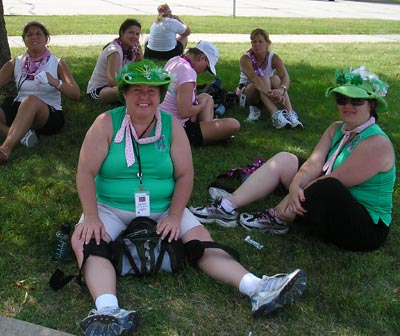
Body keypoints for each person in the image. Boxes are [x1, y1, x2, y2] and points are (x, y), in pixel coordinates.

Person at [71, 60, 306, 336]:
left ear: (161, 94)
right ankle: (108, 311)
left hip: (163, 205)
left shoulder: (171, 126)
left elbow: (185, 175)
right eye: (137, 90)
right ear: (124, 93)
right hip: (110, 205)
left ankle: (257, 288)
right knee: (87, 241)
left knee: (200, 241)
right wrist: (92, 216)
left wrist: (173, 215)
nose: (144, 97)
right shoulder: (105, 123)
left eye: (152, 91)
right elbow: (85, 173)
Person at [191, 67, 395, 252]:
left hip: (364, 228)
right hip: (329, 200)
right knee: (285, 159)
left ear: (372, 104)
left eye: (357, 101)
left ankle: (278, 217)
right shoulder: (336, 128)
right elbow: (315, 163)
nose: (347, 105)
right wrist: (296, 185)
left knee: (328, 185)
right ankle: (226, 207)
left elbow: (335, 181)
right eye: (342, 100)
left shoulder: (376, 143)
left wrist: (294, 195)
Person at [0, 21, 80, 163]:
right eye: (29, 34)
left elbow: (76, 94)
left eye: (38, 33)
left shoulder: (57, 63)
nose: (34, 37)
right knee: (25, 101)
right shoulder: (16, 63)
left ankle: (6, 148)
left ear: (46, 38)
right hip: (19, 108)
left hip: (48, 113)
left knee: (30, 100)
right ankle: (22, 136)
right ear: (24, 40)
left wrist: (56, 82)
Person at [160, 41, 240, 146]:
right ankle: (210, 135)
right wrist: (201, 106)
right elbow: (184, 112)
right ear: (201, 58)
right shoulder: (188, 72)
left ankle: (210, 132)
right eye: (206, 67)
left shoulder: (174, 60)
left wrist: (198, 101)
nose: (204, 71)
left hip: (163, 120)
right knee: (234, 124)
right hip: (178, 129)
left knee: (207, 97)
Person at [237, 28, 303, 128]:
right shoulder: (245, 58)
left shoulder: (274, 57)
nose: (257, 44)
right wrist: (270, 93)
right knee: (263, 79)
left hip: (266, 92)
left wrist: (281, 90)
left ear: (267, 43)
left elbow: (285, 77)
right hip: (248, 94)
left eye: (260, 41)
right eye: (254, 41)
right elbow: (254, 78)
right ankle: (275, 115)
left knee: (276, 79)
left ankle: (290, 114)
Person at [86, 18, 143, 105]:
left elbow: (139, 74)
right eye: (130, 32)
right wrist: (133, 86)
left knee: (141, 88)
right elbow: (112, 81)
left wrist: (139, 60)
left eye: (137, 34)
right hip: (100, 90)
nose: (134, 36)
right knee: (128, 90)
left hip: (117, 86)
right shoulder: (115, 51)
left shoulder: (132, 50)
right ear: (122, 33)